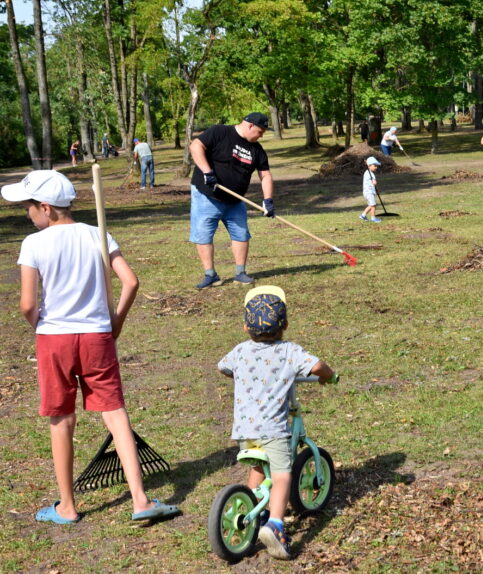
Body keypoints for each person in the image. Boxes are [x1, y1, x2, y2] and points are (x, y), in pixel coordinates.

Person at [2, 170, 181, 525]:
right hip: (97, 337)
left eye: (28, 207)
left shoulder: (33, 244)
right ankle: (140, 499)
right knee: (114, 412)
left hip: (54, 339)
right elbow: (131, 281)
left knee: (61, 418)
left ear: (45, 207)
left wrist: (41, 327)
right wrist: (116, 322)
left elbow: (27, 304)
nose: (27, 214)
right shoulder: (98, 235)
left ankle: (67, 507)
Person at [217, 286, 335, 559]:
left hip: (244, 429)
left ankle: (254, 509)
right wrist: (329, 376)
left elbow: (222, 366)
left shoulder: (240, 351)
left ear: (245, 327)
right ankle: (276, 524)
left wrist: (241, 375)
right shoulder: (289, 351)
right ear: (286, 325)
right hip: (273, 428)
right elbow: (318, 367)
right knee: (282, 474)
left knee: (259, 466)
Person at [189, 112, 274, 289]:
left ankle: (240, 273)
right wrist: (207, 172)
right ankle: (210, 275)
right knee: (204, 235)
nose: (261, 136)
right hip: (207, 196)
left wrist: (268, 200)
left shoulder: (257, 150)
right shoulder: (220, 132)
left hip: (235, 200)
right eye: (260, 131)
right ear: (250, 125)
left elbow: (265, 175)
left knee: (241, 234)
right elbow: (195, 146)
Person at [360, 156, 382, 223]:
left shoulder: (369, 173)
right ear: (369, 166)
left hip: (369, 192)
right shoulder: (368, 173)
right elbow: (373, 182)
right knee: (373, 205)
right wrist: (374, 182)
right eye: (374, 166)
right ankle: (373, 218)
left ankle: (363, 215)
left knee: (371, 205)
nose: (376, 167)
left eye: (376, 166)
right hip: (368, 192)